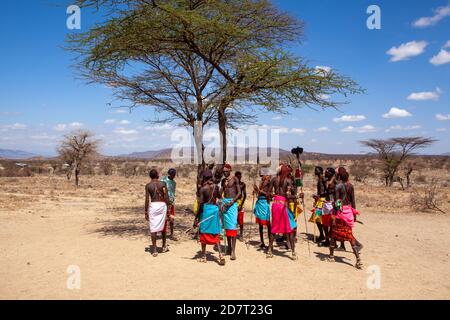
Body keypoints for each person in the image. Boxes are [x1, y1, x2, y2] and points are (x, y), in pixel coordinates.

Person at [328, 168, 363, 269]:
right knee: (349, 236)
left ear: (338, 176)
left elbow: (337, 202)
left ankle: (331, 256)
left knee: (333, 234)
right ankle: (358, 259)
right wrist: (354, 215)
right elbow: (353, 201)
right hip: (349, 213)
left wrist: (335, 214)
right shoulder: (351, 186)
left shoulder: (337, 186)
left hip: (340, 213)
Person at [193, 171, 226, 265]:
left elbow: (201, 204)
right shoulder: (216, 187)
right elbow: (220, 197)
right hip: (214, 211)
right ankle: (221, 256)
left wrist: (196, 218)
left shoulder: (203, 189)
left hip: (206, 211)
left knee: (204, 233)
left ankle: (203, 256)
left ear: (204, 178)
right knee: (215, 233)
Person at [267, 164, 298, 260]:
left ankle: (269, 251)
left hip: (276, 205)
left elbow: (268, 194)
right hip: (284, 205)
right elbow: (288, 196)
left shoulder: (273, 179)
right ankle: (293, 253)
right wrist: (297, 196)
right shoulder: (288, 181)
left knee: (274, 228)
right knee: (289, 229)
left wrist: (273, 196)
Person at [144, 169, 169, 257]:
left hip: (153, 206)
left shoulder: (148, 186)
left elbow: (147, 200)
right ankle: (163, 246)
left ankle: (154, 250)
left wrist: (145, 212)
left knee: (153, 228)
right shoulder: (163, 184)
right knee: (163, 226)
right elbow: (166, 197)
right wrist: (168, 210)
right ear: (157, 175)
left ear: (150, 176)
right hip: (162, 205)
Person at [220, 164, 241, 260]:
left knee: (232, 227)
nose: (224, 172)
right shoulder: (223, 181)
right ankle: (228, 248)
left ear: (230, 170)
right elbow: (220, 193)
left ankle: (233, 251)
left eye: (226, 171)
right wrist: (221, 188)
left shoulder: (235, 179)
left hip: (232, 205)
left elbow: (239, 193)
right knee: (227, 227)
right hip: (225, 203)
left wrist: (233, 201)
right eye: (223, 171)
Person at [253, 170, 272, 249]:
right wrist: (256, 190)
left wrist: (260, 191)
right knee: (260, 224)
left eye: (262, 175)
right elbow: (260, 192)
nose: (261, 176)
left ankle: (270, 244)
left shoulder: (268, 182)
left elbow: (269, 194)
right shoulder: (262, 182)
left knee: (268, 224)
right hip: (260, 202)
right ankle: (262, 242)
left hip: (264, 203)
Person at [161, 168, 177, 240]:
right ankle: (163, 233)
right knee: (164, 219)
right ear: (169, 174)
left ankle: (171, 234)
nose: (173, 176)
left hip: (171, 202)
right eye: (172, 174)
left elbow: (173, 193)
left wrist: (172, 201)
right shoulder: (163, 180)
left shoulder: (174, 182)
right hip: (164, 202)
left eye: (174, 175)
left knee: (172, 219)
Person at [235, 171, 247, 241]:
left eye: (240, 176)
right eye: (237, 176)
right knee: (234, 219)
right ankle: (234, 233)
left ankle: (241, 235)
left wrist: (241, 205)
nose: (239, 178)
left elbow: (244, 195)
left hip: (240, 202)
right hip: (234, 202)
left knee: (240, 220)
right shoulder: (233, 184)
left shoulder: (243, 184)